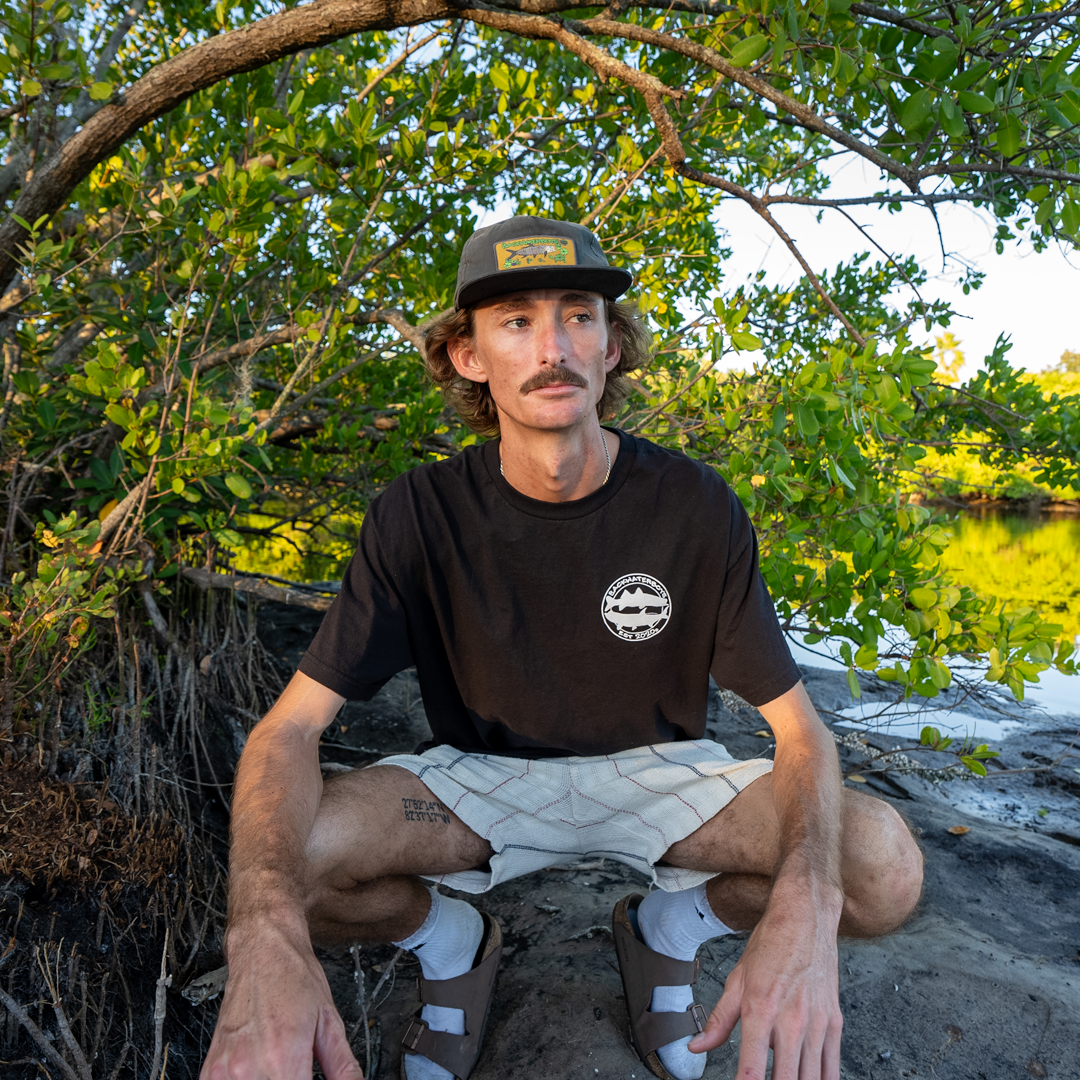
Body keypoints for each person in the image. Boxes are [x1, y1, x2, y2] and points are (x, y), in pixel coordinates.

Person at [200, 216, 923, 1080]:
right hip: (478, 781)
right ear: (466, 356)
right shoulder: (418, 513)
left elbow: (801, 733)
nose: (553, 346)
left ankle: (670, 930)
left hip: (662, 775)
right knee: (288, 863)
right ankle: (449, 939)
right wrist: (262, 935)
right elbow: (288, 732)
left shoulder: (695, 504)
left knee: (880, 870)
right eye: (515, 321)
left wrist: (806, 906)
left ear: (613, 346)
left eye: (579, 314)